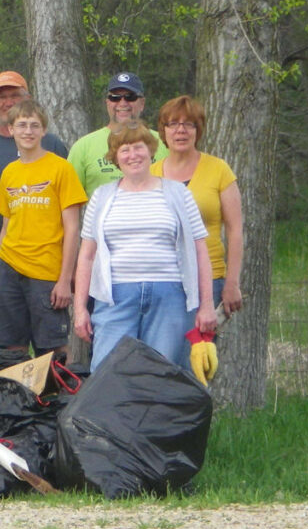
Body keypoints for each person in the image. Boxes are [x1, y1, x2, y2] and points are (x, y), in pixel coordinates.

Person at [73, 122, 217, 372]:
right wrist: (80, 309)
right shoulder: (102, 196)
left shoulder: (178, 194)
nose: (133, 155)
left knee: (161, 372)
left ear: (150, 151)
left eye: (138, 147)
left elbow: (200, 251)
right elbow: (87, 256)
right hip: (114, 296)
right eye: (124, 150)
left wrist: (206, 305)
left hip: (170, 296)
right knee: (107, 370)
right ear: (115, 158)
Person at [0, 71, 68, 321]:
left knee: (50, 343)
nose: (7, 102)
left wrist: (68, 270)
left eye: (14, 95)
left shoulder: (52, 146)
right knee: (3, 342)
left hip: (47, 264)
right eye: (1, 97)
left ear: (28, 97)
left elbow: (69, 215)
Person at [0, 100, 87, 356]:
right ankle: (20, 393)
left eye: (34, 125)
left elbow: (72, 228)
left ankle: (56, 394)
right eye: (21, 125)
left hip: (45, 271)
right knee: (11, 345)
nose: (28, 131)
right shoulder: (9, 172)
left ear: (43, 131)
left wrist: (65, 280)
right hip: (9, 266)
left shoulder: (61, 168)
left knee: (53, 346)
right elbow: (6, 226)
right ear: (11, 130)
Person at [152, 95, 244, 317]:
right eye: (173, 124)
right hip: (163, 279)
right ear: (163, 131)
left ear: (198, 130)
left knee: (201, 350)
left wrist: (232, 283)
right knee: (163, 351)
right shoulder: (150, 173)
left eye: (188, 124)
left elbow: (235, 230)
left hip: (209, 279)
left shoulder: (219, 169)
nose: (180, 131)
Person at [67, 72, 167, 195]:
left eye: (130, 97)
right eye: (115, 97)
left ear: (142, 103)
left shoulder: (163, 142)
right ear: (107, 103)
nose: (123, 102)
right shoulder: (82, 147)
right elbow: (69, 200)